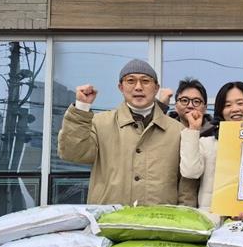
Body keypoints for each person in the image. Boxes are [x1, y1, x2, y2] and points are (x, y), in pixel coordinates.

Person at [57, 59, 197, 206]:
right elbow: (72, 153)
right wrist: (81, 108)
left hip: (160, 219)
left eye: (145, 81)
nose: (138, 87)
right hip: (109, 218)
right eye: (131, 81)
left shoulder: (177, 131)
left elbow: (186, 187)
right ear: (121, 87)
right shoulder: (100, 123)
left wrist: (186, 216)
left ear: (156, 88)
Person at [179, 81, 243, 210]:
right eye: (227, 105)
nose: (235, 109)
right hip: (213, 217)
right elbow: (190, 172)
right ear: (221, 111)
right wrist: (193, 129)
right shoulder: (208, 143)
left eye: (240, 103)